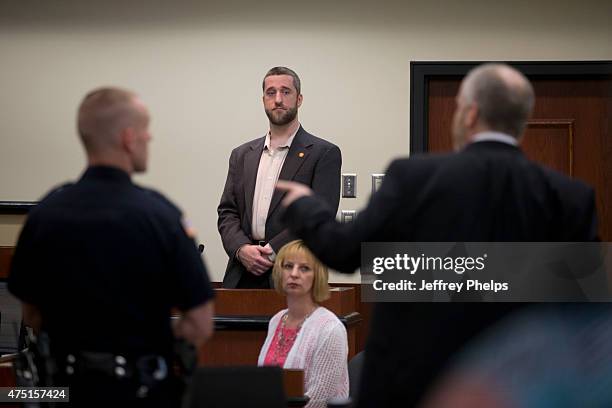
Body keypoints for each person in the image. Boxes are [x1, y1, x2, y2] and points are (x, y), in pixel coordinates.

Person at [276, 63, 598, 407]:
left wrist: (305, 206)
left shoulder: (414, 177)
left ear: (471, 114)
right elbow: (584, 313)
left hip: (417, 387)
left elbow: (343, 250)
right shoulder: (571, 197)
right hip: (522, 391)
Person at [8, 87, 215, 406]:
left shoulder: (45, 213)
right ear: (129, 138)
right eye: (146, 132)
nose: (150, 140)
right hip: (142, 393)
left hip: (61, 394)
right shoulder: (160, 215)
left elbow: (31, 314)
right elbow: (200, 322)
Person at [218, 66, 342, 289]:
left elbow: (320, 216)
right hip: (241, 272)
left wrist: (274, 250)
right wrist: (241, 249)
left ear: (299, 99)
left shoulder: (324, 154)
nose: (277, 99)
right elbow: (227, 212)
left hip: (294, 273)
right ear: (263, 99)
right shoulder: (241, 155)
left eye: (286, 92)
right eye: (270, 92)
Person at [258, 240, 349, 407]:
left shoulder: (330, 329)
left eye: (304, 268)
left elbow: (318, 401)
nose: (294, 274)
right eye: (288, 266)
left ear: (317, 276)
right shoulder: (277, 320)